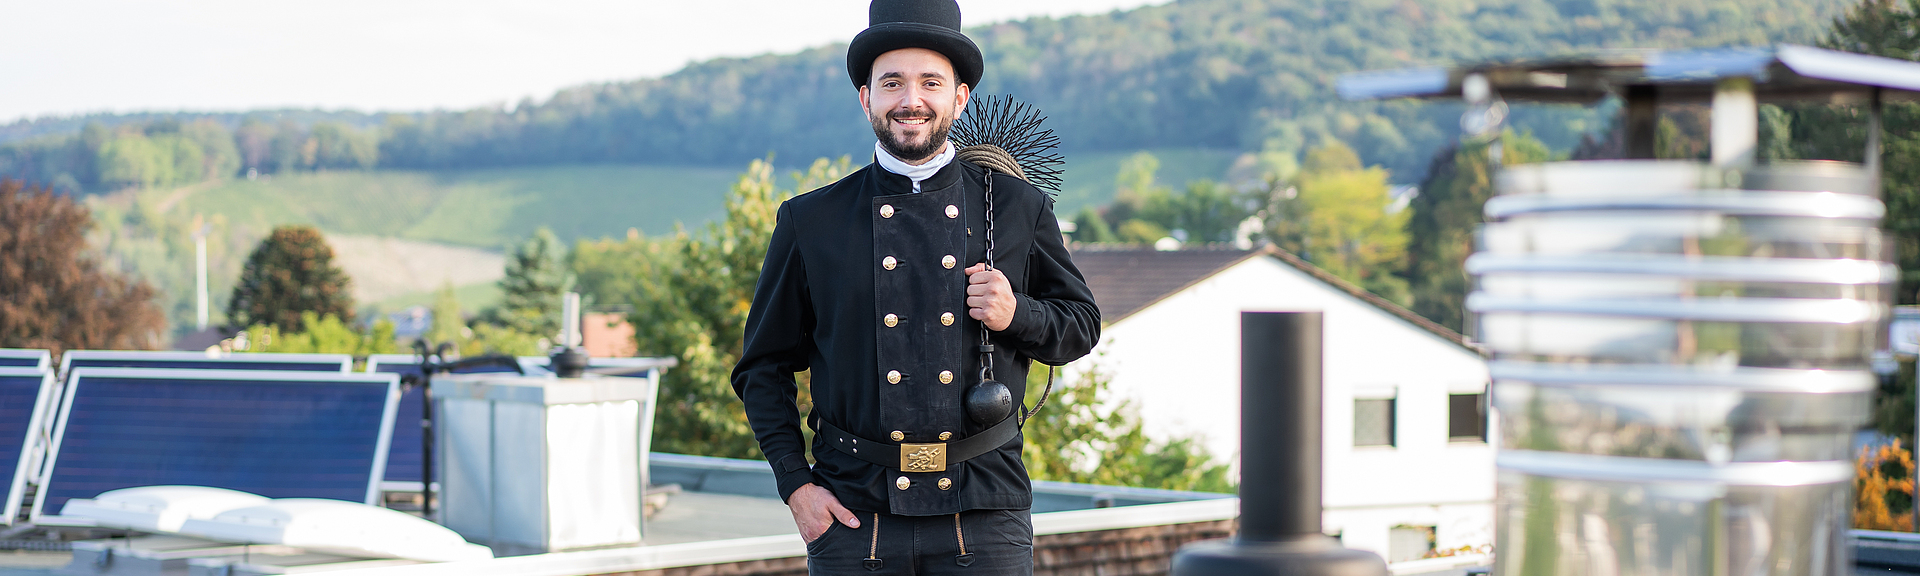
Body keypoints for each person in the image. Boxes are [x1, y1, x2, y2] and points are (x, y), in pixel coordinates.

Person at [730, 0, 1100, 573]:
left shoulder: (1017, 205)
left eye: (931, 82)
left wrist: (1017, 314)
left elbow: (1081, 327)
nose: (911, 100)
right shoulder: (812, 220)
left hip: (985, 513)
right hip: (854, 518)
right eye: (892, 83)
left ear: (959, 97)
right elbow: (762, 367)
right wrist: (796, 485)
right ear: (866, 98)